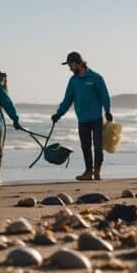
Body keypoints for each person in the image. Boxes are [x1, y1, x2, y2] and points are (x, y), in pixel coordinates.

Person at [52, 52, 112, 181]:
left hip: (96, 117)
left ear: (77, 63)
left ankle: (97, 173)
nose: (69, 68)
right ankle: (88, 172)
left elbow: (104, 95)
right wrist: (58, 114)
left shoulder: (95, 78)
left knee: (98, 146)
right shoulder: (73, 81)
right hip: (82, 119)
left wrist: (107, 110)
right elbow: (67, 100)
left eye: (70, 65)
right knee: (85, 146)